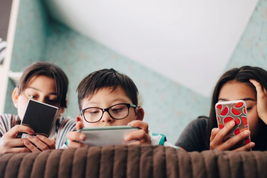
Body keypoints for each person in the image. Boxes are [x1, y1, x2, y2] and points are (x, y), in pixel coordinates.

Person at [66, 68, 177, 148]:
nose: (106, 118)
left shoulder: (158, 144)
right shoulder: (70, 147)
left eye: (117, 109)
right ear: (81, 121)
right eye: (94, 111)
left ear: (138, 115)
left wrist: (150, 155)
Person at [175, 66, 267, 152]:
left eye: (245, 108)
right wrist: (214, 159)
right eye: (223, 108)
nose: (232, 120)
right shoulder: (200, 129)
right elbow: (171, 165)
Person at [0, 61, 76, 153]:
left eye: (52, 100)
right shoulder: (2, 124)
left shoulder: (71, 131)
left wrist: (52, 159)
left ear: (62, 108)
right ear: (16, 97)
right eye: (32, 96)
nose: (41, 104)